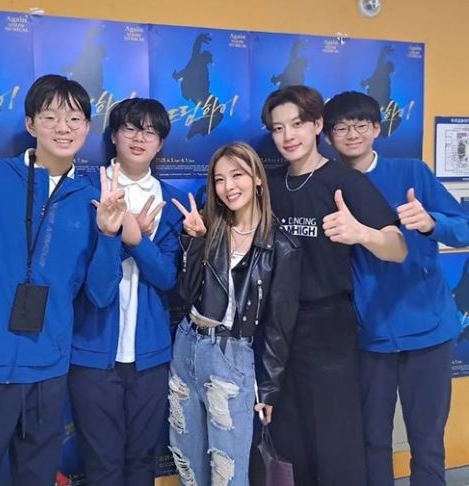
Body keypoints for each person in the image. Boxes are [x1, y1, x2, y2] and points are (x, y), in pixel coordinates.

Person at [0, 74, 126, 486]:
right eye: (50, 117)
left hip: (47, 374)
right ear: (30, 124)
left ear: (87, 127)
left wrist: (109, 233)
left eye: (74, 119)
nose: (63, 128)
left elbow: (100, 294)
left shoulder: (91, 198)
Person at [261, 85, 407, 486]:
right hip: (277, 327)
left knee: (335, 438)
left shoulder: (344, 181)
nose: (288, 136)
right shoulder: (269, 185)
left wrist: (361, 233)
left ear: (316, 125)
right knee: (289, 437)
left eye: (297, 124)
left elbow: (397, 247)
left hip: (328, 324)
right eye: (278, 128)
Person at [323, 90, 469, 486]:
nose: (352, 134)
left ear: (377, 128)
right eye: (341, 127)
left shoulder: (412, 172)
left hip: (428, 330)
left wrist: (432, 223)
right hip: (369, 335)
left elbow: (463, 227)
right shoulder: (328, 183)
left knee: (427, 441)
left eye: (361, 124)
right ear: (328, 136)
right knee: (372, 440)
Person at [168, 141, 302, 486]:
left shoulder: (281, 245)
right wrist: (195, 241)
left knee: (227, 471)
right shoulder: (209, 227)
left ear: (257, 178)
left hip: (231, 356)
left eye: (237, 175)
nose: (228, 187)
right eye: (219, 179)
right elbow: (185, 293)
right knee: (188, 464)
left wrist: (268, 389)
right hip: (187, 344)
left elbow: (279, 325)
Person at [68, 98, 185, 485]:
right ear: (113, 136)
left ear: (161, 144)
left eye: (150, 131)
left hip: (150, 358)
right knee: (101, 466)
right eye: (130, 128)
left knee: (142, 463)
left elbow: (167, 278)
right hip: (92, 355)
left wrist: (136, 239)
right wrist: (114, 235)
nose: (139, 138)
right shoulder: (84, 191)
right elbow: (98, 290)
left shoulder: (171, 203)